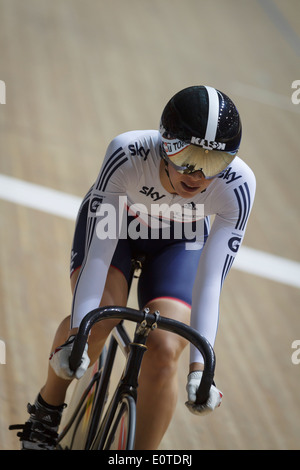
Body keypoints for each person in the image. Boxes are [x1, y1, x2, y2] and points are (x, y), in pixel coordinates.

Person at [11, 85, 256, 450]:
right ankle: (46, 412)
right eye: (189, 156)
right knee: (100, 318)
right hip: (118, 231)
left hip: (179, 242)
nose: (197, 175)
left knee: (166, 349)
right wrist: (81, 330)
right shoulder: (127, 153)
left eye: (213, 163)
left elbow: (210, 282)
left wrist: (200, 369)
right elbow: (99, 254)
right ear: (166, 143)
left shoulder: (238, 184)